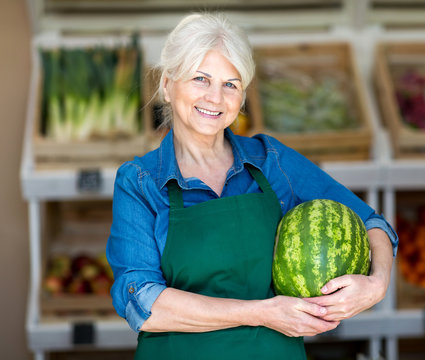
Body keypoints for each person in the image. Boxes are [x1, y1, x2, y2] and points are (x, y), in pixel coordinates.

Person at [107, 12, 398, 360]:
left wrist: (376, 284)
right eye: (201, 79)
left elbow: (371, 222)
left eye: (231, 84)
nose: (215, 98)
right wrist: (262, 312)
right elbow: (143, 303)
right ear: (168, 86)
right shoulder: (140, 181)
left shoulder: (270, 160)